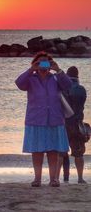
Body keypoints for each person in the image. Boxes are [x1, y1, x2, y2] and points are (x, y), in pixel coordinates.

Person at [15, 51, 72, 187]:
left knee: (53, 151)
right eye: (39, 62)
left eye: (46, 62)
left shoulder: (56, 78)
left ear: (50, 64)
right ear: (35, 64)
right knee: (37, 151)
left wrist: (58, 69)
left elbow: (68, 86)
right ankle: (37, 179)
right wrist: (31, 70)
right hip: (36, 119)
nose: (43, 65)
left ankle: (53, 179)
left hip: (54, 119)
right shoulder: (30, 79)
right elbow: (19, 83)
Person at [58, 66, 87, 184]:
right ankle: (80, 178)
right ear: (77, 76)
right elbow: (81, 105)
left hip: (63, 124)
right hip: (77, 124)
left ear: (67, 75)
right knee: (78, 153)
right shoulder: (82, 89)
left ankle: (56, 178)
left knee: (61, 152)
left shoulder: (62, 89)